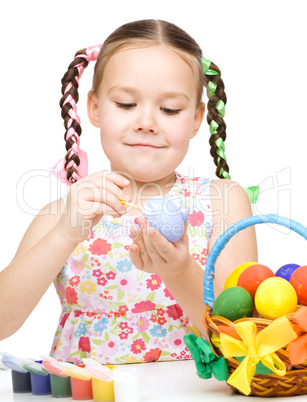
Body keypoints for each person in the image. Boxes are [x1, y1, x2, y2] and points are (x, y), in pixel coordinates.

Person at [0, 19, 257, 364]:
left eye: (169, 109)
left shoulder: (222, 202)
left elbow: (243, 336)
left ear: (196, 119)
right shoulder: (61, 215)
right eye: (125, 104)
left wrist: (179, 273)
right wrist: (65, 233)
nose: (146, 122)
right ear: (94, 108)